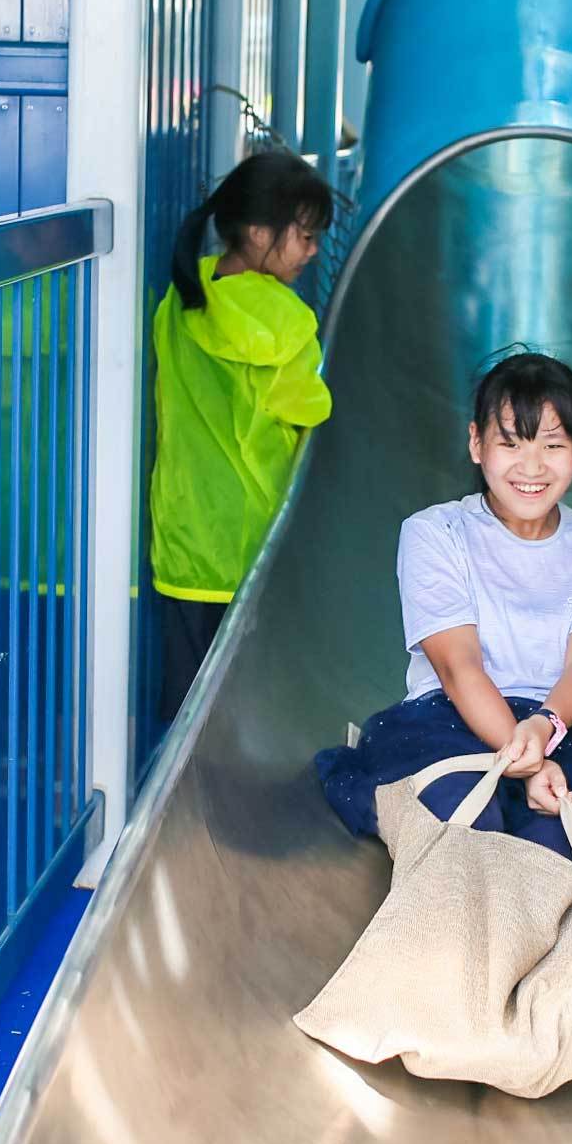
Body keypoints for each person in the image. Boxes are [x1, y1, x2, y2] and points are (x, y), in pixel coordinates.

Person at [314, 351, 572, 857]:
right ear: (477, 443)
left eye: (553, 445)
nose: (532, 467)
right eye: (510, 443)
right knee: (463, 812)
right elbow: (458, 667)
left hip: (552, 727)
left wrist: (544, 731)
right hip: (445, 721)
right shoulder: (435, 532)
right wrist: (530, 764)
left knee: (556, 836)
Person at [148, 150, 336, 723]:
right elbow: (311, 415)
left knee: (185, 711)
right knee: (249, 710)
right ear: (258, 232)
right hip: (253, 545)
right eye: (303, 237)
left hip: (183, 538)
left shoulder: (182, 299)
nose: (311, 251)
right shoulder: (288, 321)